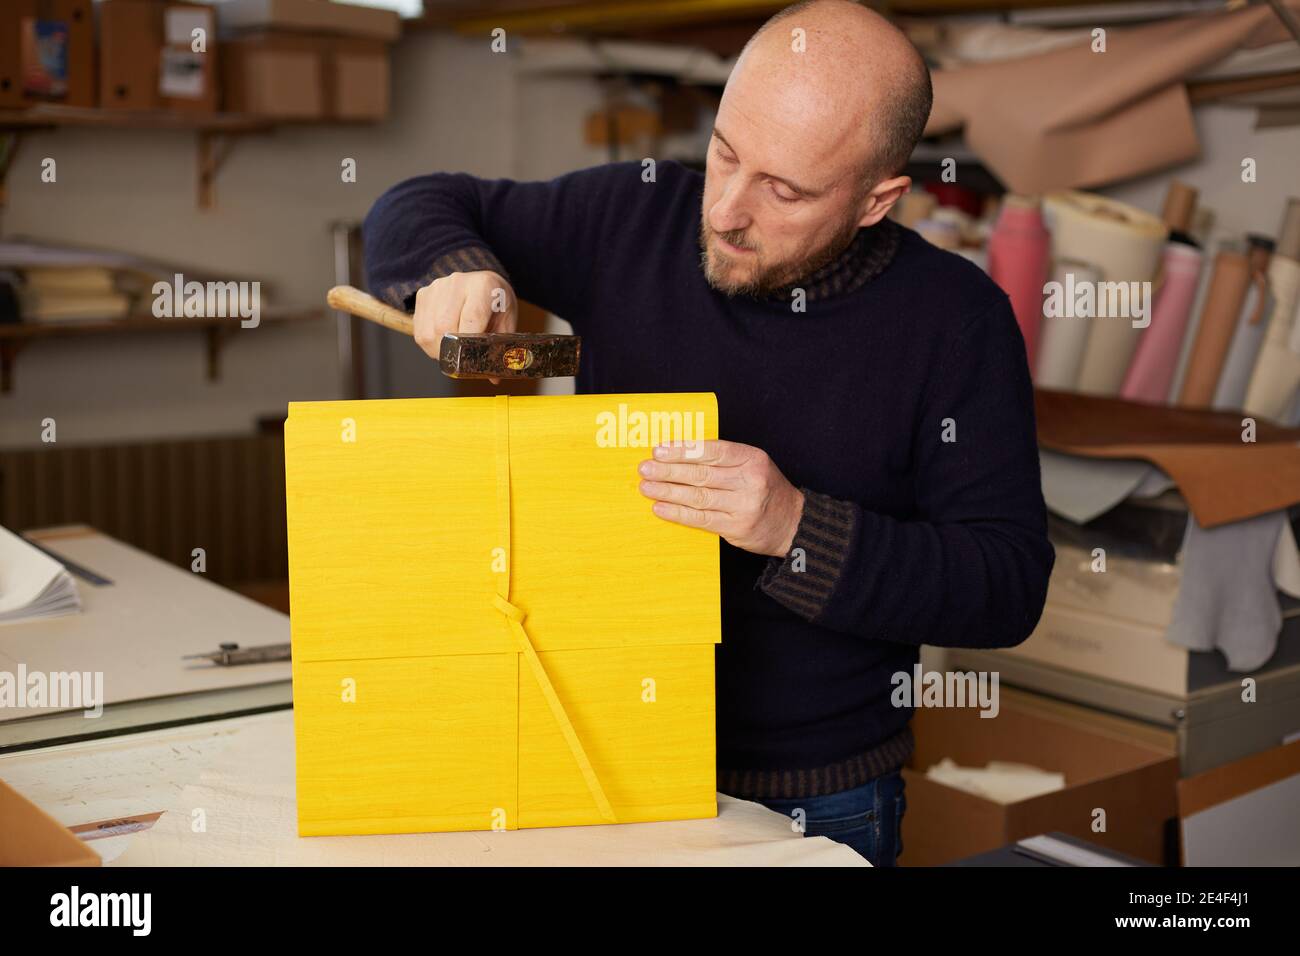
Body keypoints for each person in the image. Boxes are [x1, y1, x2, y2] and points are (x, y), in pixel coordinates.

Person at [363, 0, 1053, 866]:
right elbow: (418, 200)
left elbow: (1008, 584)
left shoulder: (956, 322)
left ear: (878, 201)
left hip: (817, 800)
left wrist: (795, 530)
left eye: (785, 190)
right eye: (726, 152)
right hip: (597, 755)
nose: (725, 212)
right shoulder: (635, 217)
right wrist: (455, 273)